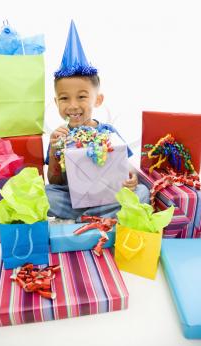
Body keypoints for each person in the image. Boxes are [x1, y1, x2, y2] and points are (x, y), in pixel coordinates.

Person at [45, 20, 149, 222]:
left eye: (82, 97)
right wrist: (53, 149)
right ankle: (99, 218)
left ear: (98, 100)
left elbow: (126, 167)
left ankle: (85, 219)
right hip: (73, 198)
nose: (73, 105)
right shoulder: (59, 136)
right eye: (65, 98)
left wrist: (132, 179)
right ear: (56, 102)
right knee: (46, 194)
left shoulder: (108, 131)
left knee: (142, 192)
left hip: (107, 196)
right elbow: (55, 180)